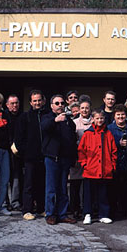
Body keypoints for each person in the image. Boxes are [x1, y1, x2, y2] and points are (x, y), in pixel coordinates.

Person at [41, 94, 77, 225]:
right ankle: (50, 214)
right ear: (51, 106)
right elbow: (44, 127)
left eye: (62, 103)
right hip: (52, 158)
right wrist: (55, 120)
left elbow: (72, 140)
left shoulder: (68, 121)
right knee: (51, 188)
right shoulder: (47, 118)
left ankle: (62, 214)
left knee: (63, 188)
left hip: (65, 159)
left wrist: (73, 158)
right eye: (57, 103)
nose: (60, 105)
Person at [78, 109, 117, 225]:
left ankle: (103, 214)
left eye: (101, 118)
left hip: (105, 169)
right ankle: (87, 214)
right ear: (93, 119)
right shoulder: (87, 134)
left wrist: (112, 165)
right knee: (88, 194)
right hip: (91, 169)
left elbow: (113, 151)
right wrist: (84, 164)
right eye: (97, 118)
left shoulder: (108, 133)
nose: (99, 120)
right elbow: (81, 151)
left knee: (103, 194)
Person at [15, 90, 47, 221]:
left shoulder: (47, 115)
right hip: (29, 157)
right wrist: (25, 152)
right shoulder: (24, 117)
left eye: (39, 100)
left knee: (41, 183)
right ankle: (27, 210)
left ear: (43, 101)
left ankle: (41, 208)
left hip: (44, 156)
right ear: (30, 102)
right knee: (28, 184)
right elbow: (19, 139)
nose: (37, 103)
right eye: (35, 100)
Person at [107, 104, 127, 218]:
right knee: (113, 190)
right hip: (115, 162)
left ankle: (126, 212)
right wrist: (118, 143)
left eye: (123, 114)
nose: (121, 117)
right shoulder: (109, 129)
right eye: (118, 115)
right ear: (114, 116)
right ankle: (113, 212)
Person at [71, 100, 92, 219]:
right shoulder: (74, 123)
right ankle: (75, 209)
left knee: (87, 186)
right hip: (77, 157)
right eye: (82, 108)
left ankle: (87, 209)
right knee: (75, 185)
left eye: (87, 108)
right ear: (79, 110)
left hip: (91, 158)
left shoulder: (94, 122)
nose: (84, 110)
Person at [5, 94, 23, 211]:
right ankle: (5, 202)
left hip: (18, 154)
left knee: (17, 179)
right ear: (7, 105)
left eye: (16, 103)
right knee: (4, 179)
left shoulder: (23, 116)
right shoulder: (3, 117)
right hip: (5, 152)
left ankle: (16, 202)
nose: (15, 105)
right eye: (12, 103)